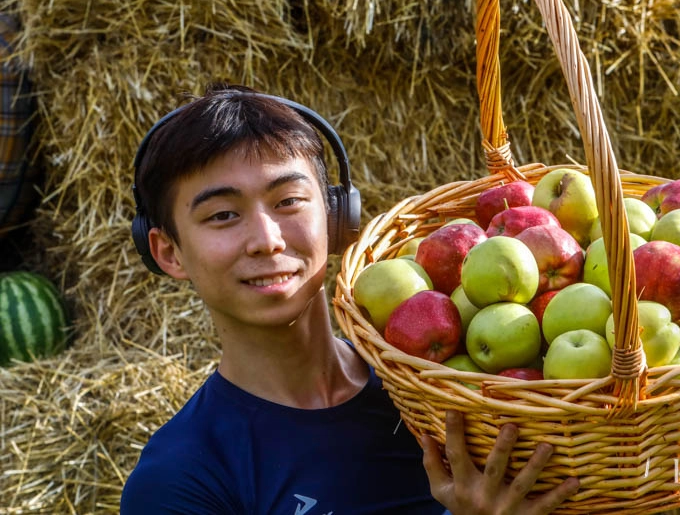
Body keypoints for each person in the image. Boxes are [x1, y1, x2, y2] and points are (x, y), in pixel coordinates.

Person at [120, 83, 580, 514]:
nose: (267, 240)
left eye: (288, 202)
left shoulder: (442, 385)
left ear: (339, 217)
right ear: (168, 252)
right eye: (222, 215)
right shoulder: (181, 480)